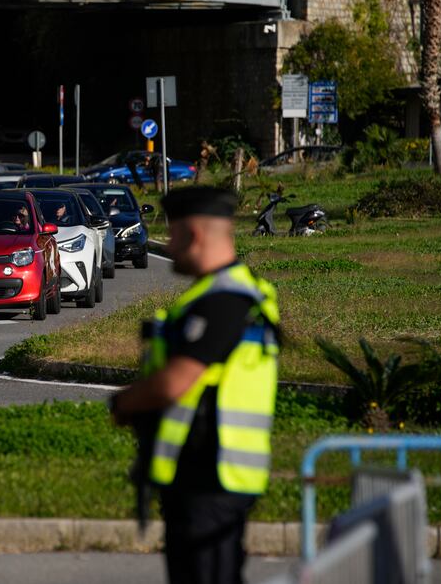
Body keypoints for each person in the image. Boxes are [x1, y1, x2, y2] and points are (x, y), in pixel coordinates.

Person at [109, 186, 280, 584]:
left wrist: (123, 404)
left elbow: (177, 381)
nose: (168, 245)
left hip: (213, 477)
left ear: (195, 236)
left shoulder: (225, 300)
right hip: (206, 477)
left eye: (174, 234)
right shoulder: (222, 293)